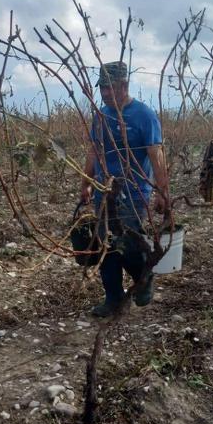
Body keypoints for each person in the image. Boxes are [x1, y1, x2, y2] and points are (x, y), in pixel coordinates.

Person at [79, 61, 170, 317]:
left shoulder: (144, 115)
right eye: (102, 89)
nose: (105, 94)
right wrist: (86, 183)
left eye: (110, 88)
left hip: (134, 192)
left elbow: (156, 155)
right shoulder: (101, 116)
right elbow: (94, 151)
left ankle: (144, 277)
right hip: (103, 191)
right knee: (105, 246)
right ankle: (114, 299)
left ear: (124, 86)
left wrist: (163, 192)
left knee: (127, 243)